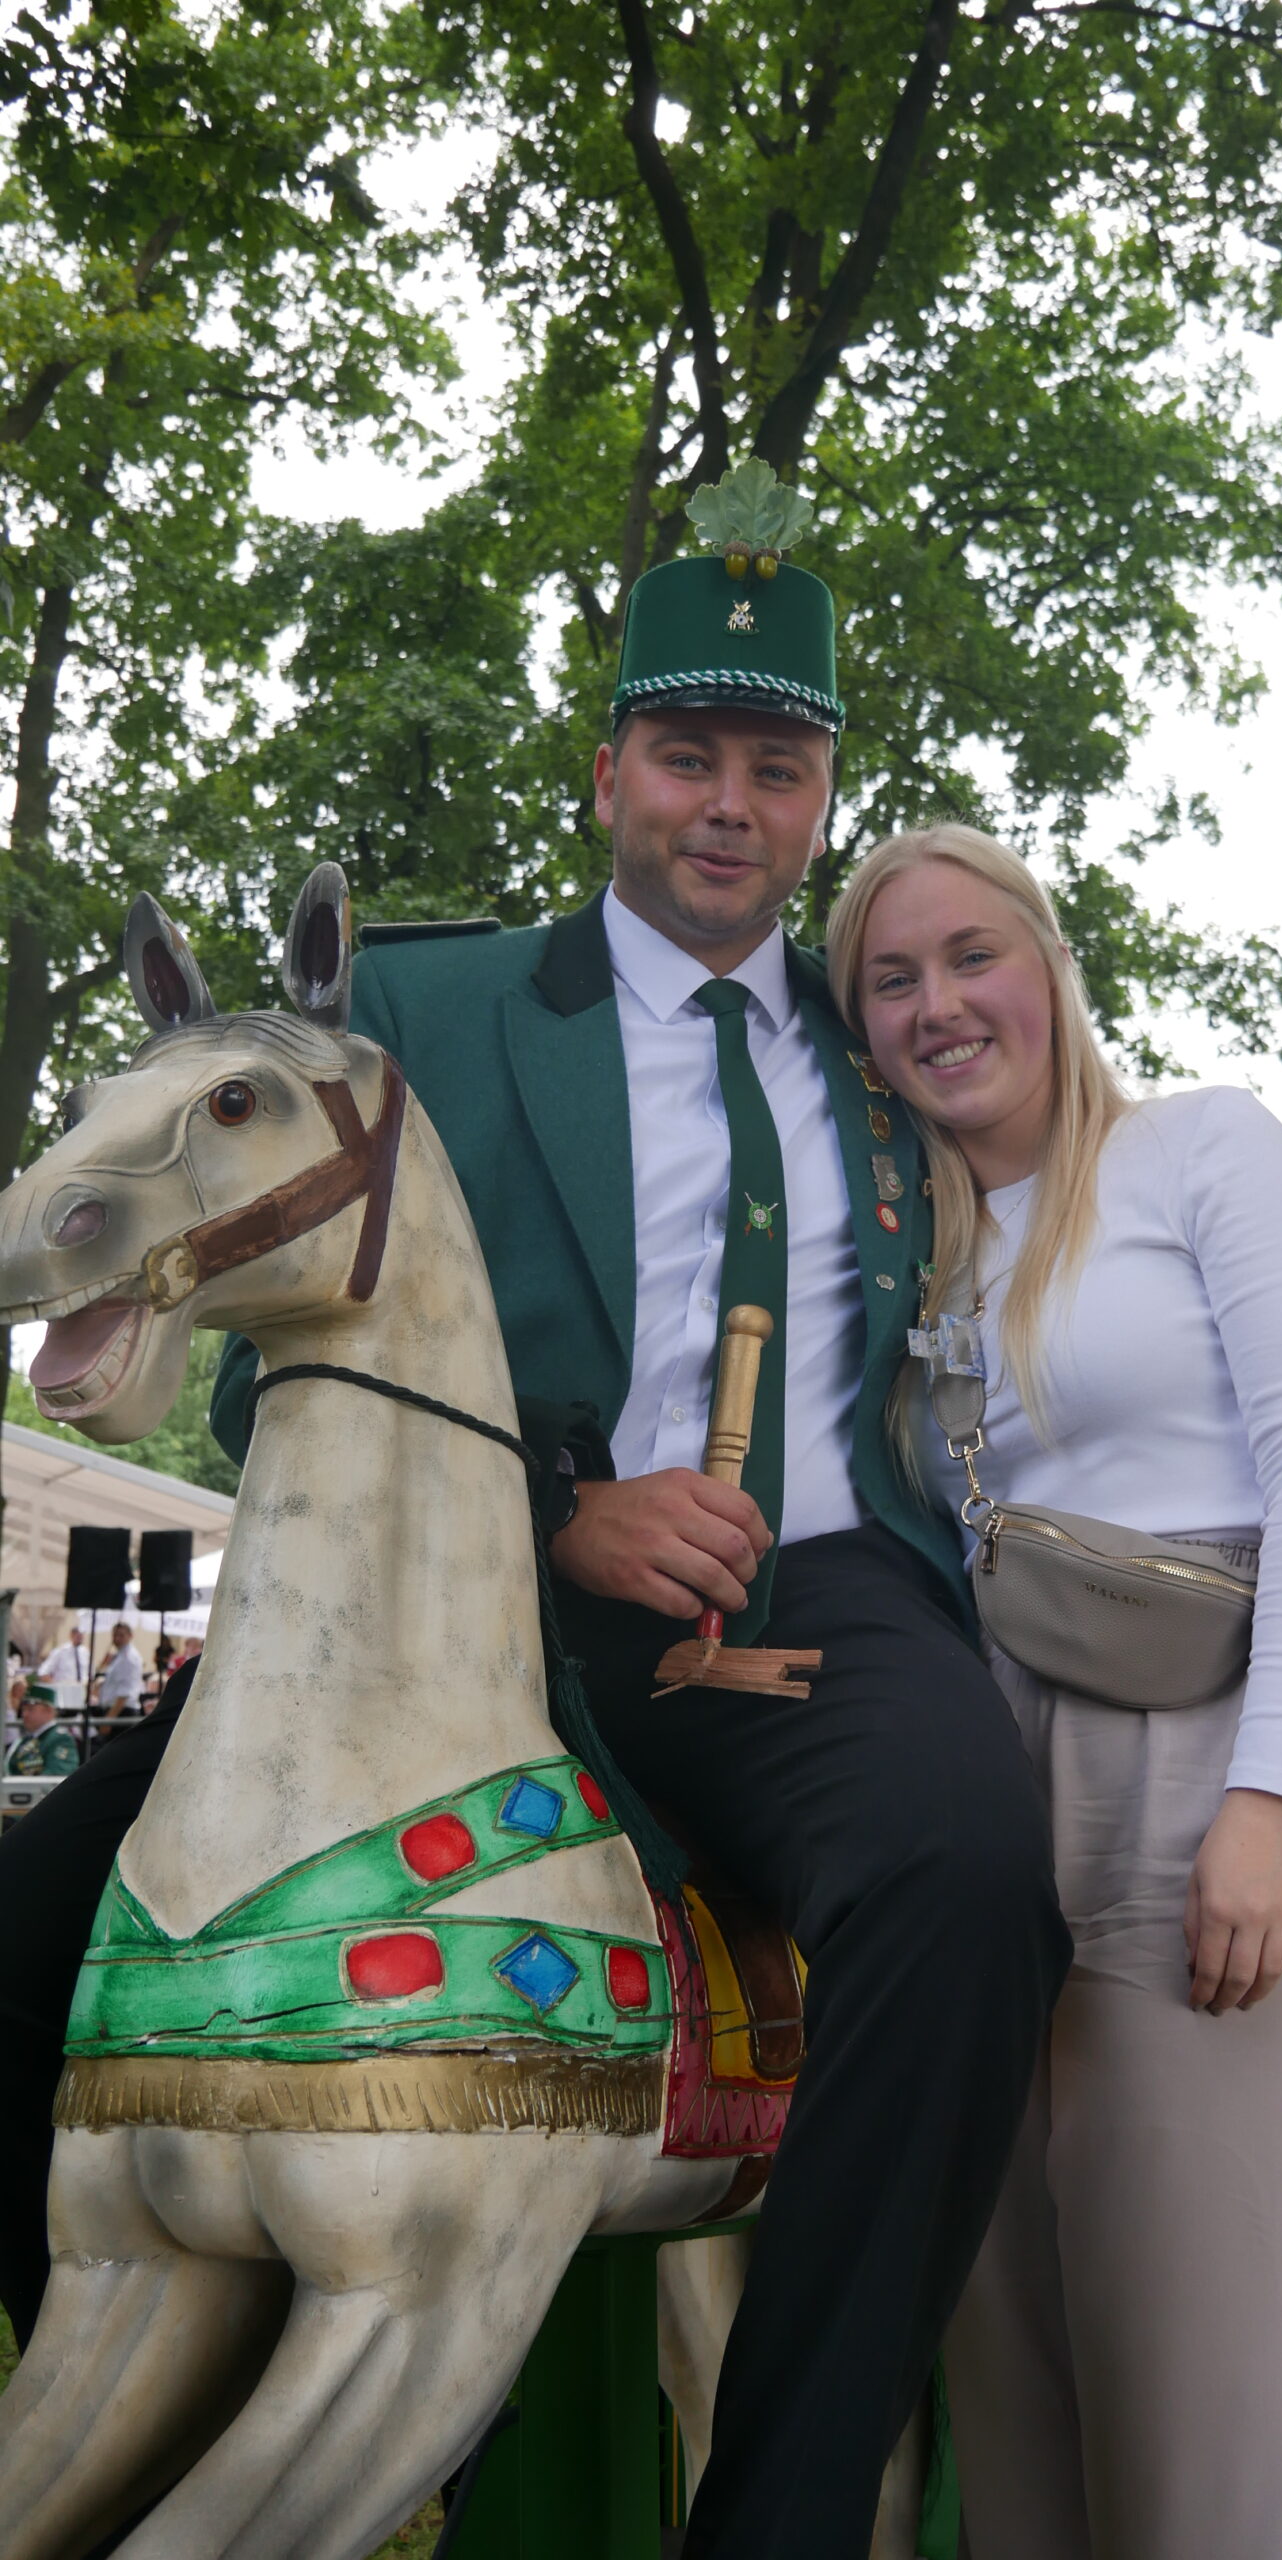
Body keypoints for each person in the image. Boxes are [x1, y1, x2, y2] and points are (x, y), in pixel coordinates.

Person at [0, 462, 1069, 2560]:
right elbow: (285, 1334)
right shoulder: (426, 1007)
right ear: (608, 775)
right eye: (687, 756)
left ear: (820, 804)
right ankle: (159, 2400)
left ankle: (779, 2517)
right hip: (451, 1595)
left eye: (777, 767)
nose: (729, 805)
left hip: (809, 1606)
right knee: (32, 1921)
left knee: (965, 1883)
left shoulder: (892, 1047)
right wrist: (565, 1508)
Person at [826, 824, 1282, 2560]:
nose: (937, 1005)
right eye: (890, 981)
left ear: (1048, 967)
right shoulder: (896, 1260)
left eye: (970, 956)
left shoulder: (1202, 1150)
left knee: (1208, 2387)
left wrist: (1269, 1799)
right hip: (984, 1798)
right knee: (1017, 2378)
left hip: (1207, 1749)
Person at [4, 1683, 80, 1778]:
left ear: (48, 1711)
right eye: (23, 1710)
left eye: (30, 1709)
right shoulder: (25, 1739)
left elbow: (56, 1775)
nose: (24, 1714)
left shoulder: (61, 1739)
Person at [92, 1621, 145, 1733]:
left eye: (121, 1635)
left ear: (130, 1636)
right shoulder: (120, 1655)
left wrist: (109, 1720)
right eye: (115, 1635)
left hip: (122, 1712)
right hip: (117, 1711)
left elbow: (124, 1693)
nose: (117, 1638)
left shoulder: (128, 1658)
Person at [34, 1627, 89, 1714]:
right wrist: (56, 1687)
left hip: (81, 1695)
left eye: (81, 1635)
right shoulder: (60, 1652)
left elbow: (90, 1674)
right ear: (71, 1635)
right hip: (64, 1697)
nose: (80, 1637)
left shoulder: (85, 1652)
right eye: (77, 1635)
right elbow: (43, 1672)